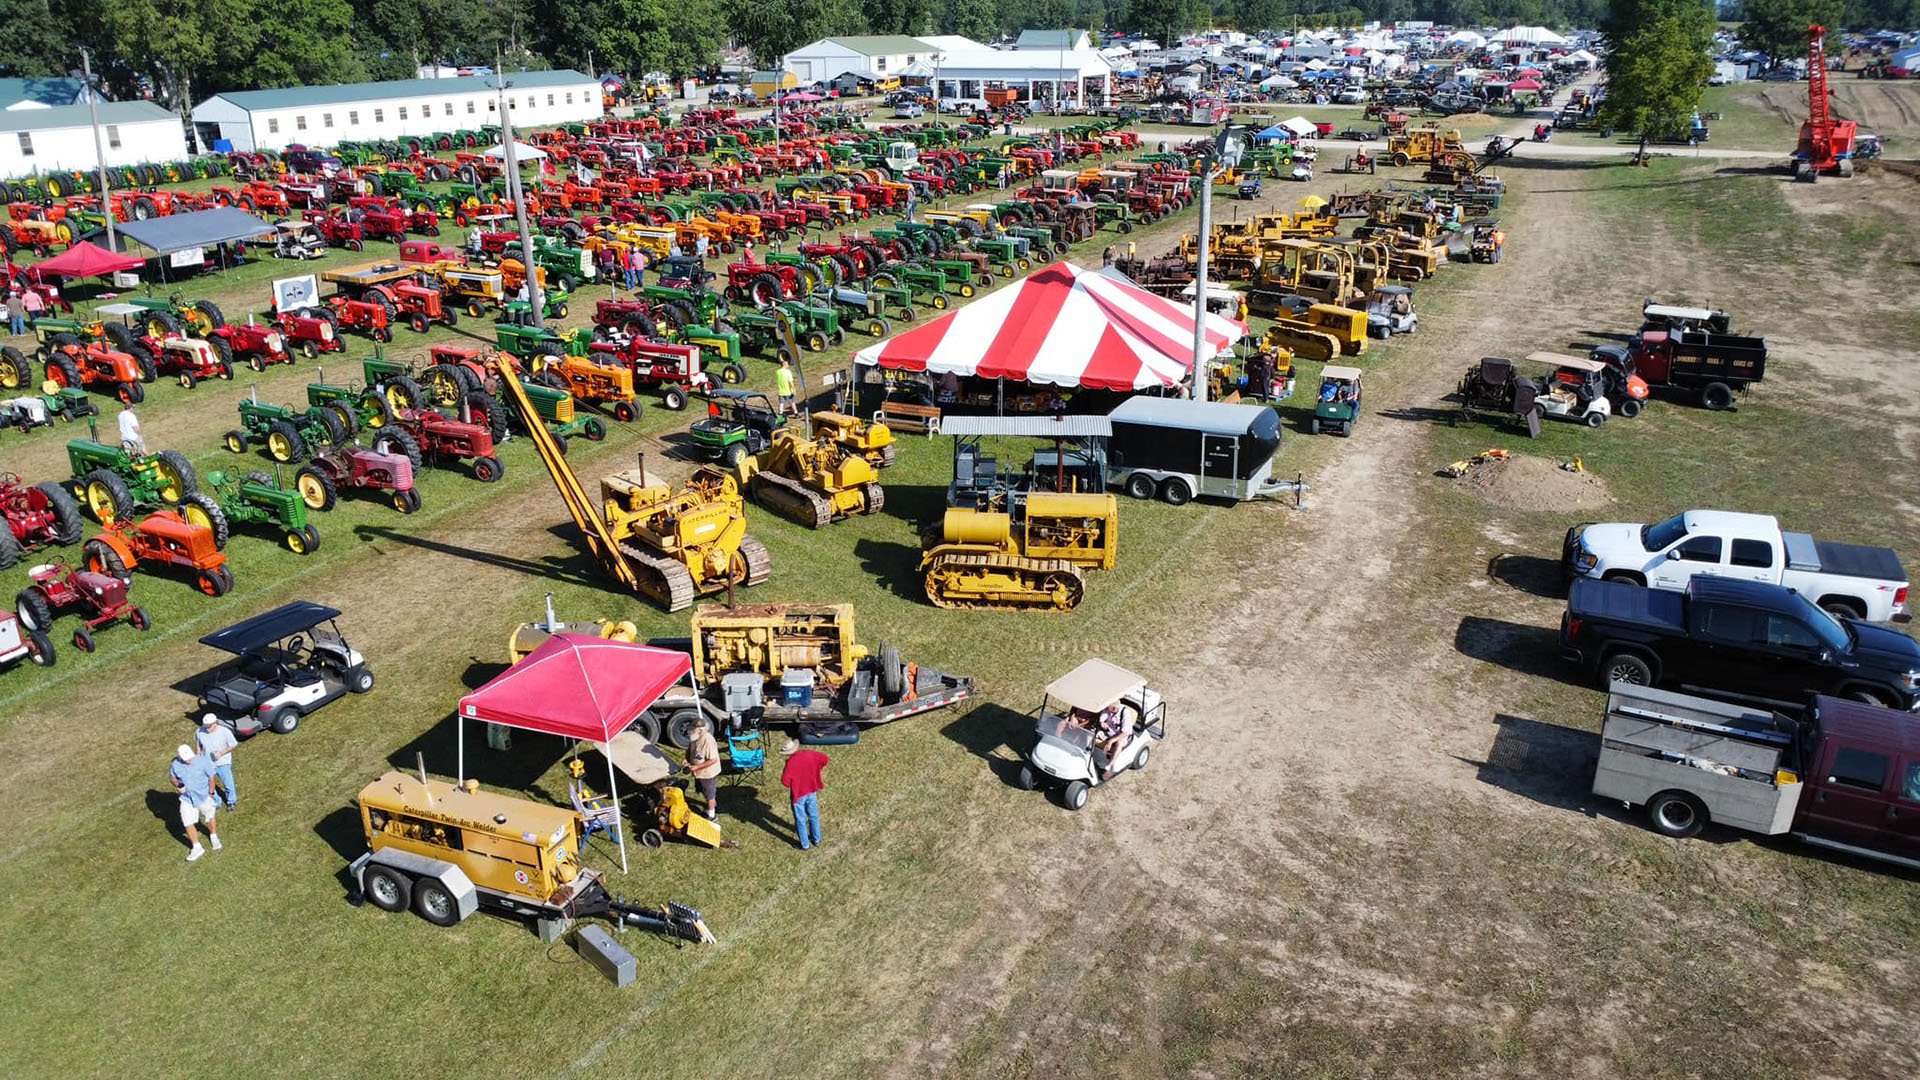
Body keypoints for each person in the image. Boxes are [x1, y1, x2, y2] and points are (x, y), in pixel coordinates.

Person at [169, 744, 221, 861]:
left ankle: (213, 836)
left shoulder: (202, 761)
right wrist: (177, 784)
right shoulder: (175, 765)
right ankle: (197, 847)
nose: (189, 760)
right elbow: (172, 777)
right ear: (180, 757)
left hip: (204, 796)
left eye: (190, 757)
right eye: (186, 759)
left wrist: (211, 792)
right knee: (187, 822)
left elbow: (211, 777)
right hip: (186, 798)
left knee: (210, 817)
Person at [779, 740, 828, 851]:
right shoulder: (810, 754)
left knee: (800, 819)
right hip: (812, 789)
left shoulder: (790, 763)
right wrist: (816, 770)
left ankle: (805, 845)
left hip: (798, 794)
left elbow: (785, 782)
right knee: (813, 815)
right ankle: (817, 839)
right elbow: (825, 759)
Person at [196, 713, 239, 811]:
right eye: (205, 726)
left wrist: (221, 753)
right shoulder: (199, 731)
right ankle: (217, 802)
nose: (206, 729)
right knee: (208, 786)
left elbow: (233, 745)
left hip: (222, 762)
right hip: (207, 764)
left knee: (228, 784)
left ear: (215, 723)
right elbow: (198, 746)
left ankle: (231, 802)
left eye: (209, 726)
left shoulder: (225, 732)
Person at [685, 716, 722, 821]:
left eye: (693, 728)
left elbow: (713, 760)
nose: (690, 730)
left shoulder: (708, 740)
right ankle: (711, 807)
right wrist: (687, 759)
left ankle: (712, 815)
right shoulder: (695, 737)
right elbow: (690, 749)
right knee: (704, 791)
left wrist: (697, 767)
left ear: (700, 730)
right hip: (698, 772)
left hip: (707, 773)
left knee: (709, 794)